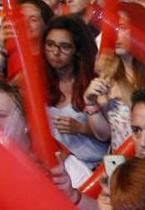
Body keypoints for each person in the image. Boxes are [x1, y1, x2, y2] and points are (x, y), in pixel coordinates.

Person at [40, 15, 106, 165]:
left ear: (77, 50)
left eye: (64, 47)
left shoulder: (95, 82)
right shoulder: (37, 82)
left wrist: (82, 128)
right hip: (57, 169)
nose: (55, 52)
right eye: (50, 44)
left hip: (94, 167)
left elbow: (116, 133)